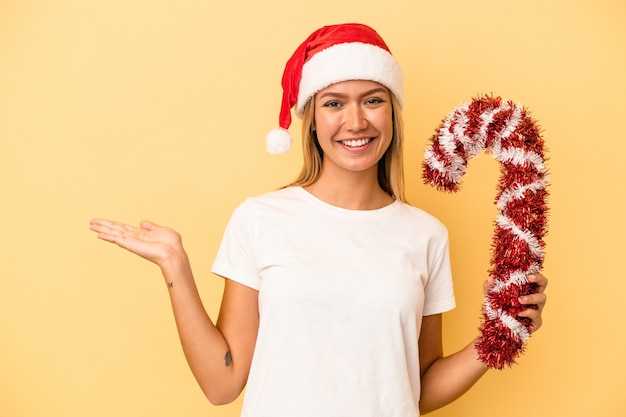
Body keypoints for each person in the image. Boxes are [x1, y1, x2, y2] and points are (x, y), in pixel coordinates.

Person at [90, 23, 548, 417]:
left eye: (372, 100)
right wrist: (176, 268)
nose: (355, 121)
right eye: (333, 103)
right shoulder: (261, 218)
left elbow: (416, 387)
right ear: (310, 119)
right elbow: (222, 384)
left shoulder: (425, 234)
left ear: (392, 111)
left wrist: (500, 336)